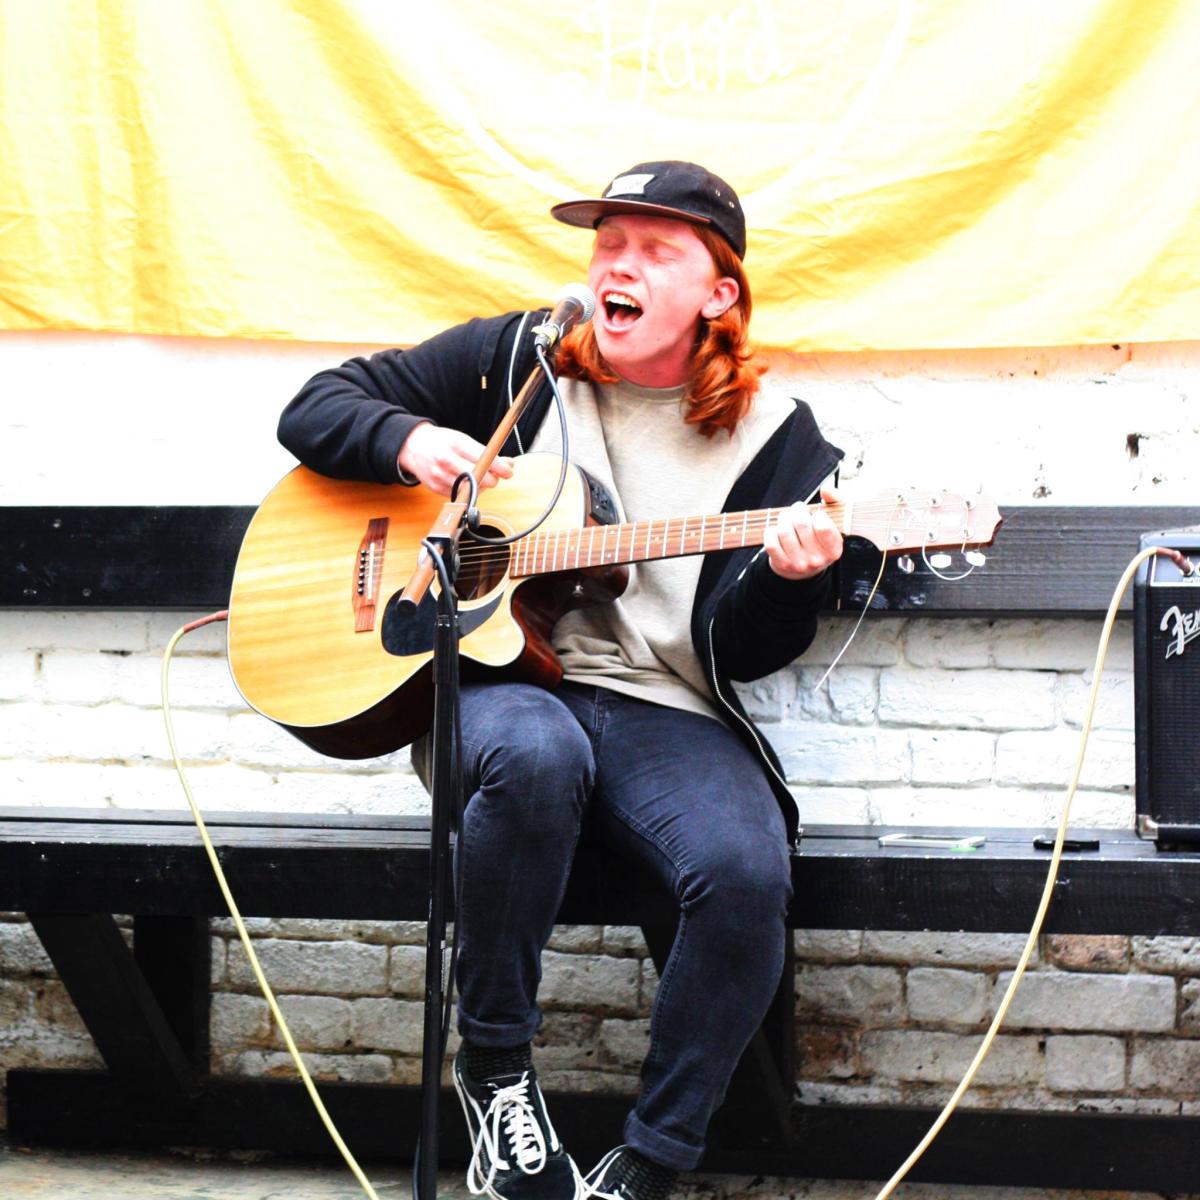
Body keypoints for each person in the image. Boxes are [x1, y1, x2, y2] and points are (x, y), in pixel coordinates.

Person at [278, 161, 844, 1200]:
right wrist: (407, 441)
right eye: (607, 245)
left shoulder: (780, 442)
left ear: (718, 292)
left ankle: (651, 1160)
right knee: (536, 752)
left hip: (659, 704)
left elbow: (748, 646)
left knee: (745, 872)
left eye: (653, 251)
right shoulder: (516, 362)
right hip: (502, 684)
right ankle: (494, 1074)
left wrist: (791, 583)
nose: (617, 266)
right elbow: (316, 409)